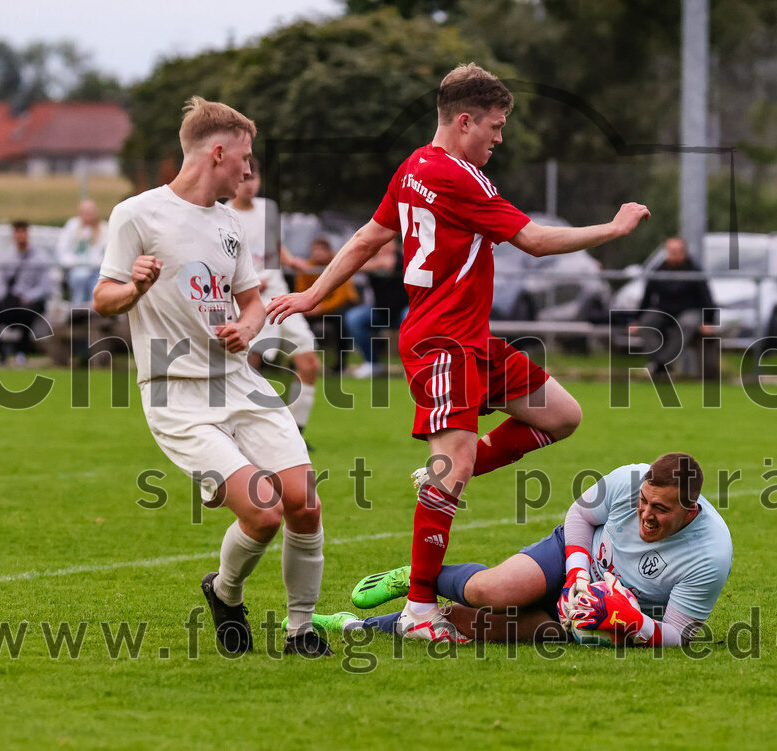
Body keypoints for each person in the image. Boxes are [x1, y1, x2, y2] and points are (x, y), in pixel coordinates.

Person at [268, 63, 651, 642]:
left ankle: (448, 476)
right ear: (464, 120)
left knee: (562, 415)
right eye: (495, 126)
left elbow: (371, 236)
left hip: (472, 340)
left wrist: (313, 294)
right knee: (452, 474)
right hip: (442, 342)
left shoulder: (415, 167)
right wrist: (613, 229)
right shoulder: (459, 176)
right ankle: (420, 610)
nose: (500, 137)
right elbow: (535, 241)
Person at [92, 97, 331, 658]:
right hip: (175, 394)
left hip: (238, 382)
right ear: (216, 152)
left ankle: (300, 631)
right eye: (243, 159)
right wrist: (135, 288)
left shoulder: (228, 223)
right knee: (265, 510)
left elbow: (251, 301)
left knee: (304, 502)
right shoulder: (136, 214)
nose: (248, 171)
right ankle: (226, 592)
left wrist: (248, 328)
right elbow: (104, 298)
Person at [310, 453, 733, 647]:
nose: (645, 514)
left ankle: (356, 628)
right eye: (643, 502)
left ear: (691, 510)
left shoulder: (710, 554)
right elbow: (579, 517)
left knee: (469, 626)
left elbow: (680, 634)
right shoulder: (628, 478)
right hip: (575, 556)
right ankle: (417, 577)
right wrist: (578, 575)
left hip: (599, 612)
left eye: (660, 509)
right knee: (494, 593)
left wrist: (630, 621)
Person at [230, 158, 320, 448]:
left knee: (309, 362)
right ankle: (241, 431)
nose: (250, 183)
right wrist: (246, 282)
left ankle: (297, 432)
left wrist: (290, 259)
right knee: (247, 369)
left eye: (254, 177)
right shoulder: (221, 214)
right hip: (248, 300)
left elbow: (272, 245)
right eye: (244, 178)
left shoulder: (268, 208)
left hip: (282, 297)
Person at [631, 237, 716, 378]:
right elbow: (647, 298)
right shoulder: (658, 271)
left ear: (684, 252)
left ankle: (661, 364)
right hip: (664, 310)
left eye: (678, 251)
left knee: (687, 324)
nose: (675, 255)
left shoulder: (694, 271)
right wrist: (636, 319)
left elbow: (706, 298)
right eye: (672, 251)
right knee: (646, 323)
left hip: (689, 310)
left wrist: (708, 321)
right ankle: (661, 364)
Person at [0, 220, 55, 365]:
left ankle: (22, 351)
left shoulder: (40, 257)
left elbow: (45, 287)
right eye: (17, 232)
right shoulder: (8, 256)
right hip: (12, 300)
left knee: (25, 313)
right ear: (13, 235)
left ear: (28, 234)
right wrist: (5, 298)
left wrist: (27, 297)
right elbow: (2, 283)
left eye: (23, 232)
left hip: (31, 301)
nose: (21, 236)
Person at [344, 235, 408, 377]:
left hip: (404, 311)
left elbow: (394, 263)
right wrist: (377, 264)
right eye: (382, 242)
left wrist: (390, 261)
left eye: (388, 242)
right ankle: (372, 363)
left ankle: (412, 364)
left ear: (395, 245)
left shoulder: (405, 257)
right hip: (380, 312)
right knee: (354, 318)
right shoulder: (372, 260)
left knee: (412, 317)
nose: (384, 245)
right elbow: (353, 265)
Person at [295, 238, 359, 373]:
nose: (317, 254)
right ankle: (299, 360)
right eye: (314, 251)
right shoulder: (307, 268)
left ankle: (341, 363)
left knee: (341, 320)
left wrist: (321, 307)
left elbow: (341, 297)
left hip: (340, 306)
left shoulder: (339, 264)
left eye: (320, 250)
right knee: (298, 321)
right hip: (315, 305)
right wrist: (306, 306)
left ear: (328, 251)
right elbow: (301, 290)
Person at [56, 199, 108, 306]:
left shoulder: (103, 228)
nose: (88, 214)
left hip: (98, 270)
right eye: (85, 211)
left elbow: (107, 252)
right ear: (80, 212)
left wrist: (95, 265)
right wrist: (75, 263)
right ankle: (78, 311)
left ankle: (94, 313)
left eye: (90, 211)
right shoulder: (72, 225)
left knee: (97, 286)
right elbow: (62, 250)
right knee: (79, 278)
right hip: (76, 269)